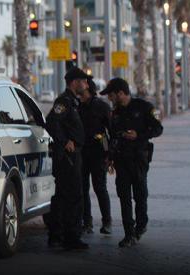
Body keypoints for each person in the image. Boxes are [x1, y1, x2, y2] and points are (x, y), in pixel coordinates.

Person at [100, 77, 163, 247]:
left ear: (121, 93)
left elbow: (158, 129)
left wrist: (139, 135)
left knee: (140, 194)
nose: (110, 99)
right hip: (121, 160)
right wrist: (110, 157)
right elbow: (113, 136)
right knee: (124, 196)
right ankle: (129, 233)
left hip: (139, 159)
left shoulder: (144, 107)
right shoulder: (116, 112)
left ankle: (141, 225)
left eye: (111, 95)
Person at [45, 67, 89, 250]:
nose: (86, 85)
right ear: (74, 82)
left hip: (73, 155)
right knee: (72, 196)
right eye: (83, 81)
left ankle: (59, 234)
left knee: (66, 196)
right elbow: (52, 122)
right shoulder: (64, 101)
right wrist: (64, 142)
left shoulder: (73, 102)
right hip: (67, 157)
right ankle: (70, 237)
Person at [78, 77, 112, 235]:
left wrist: (109, 154)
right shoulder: (77, 106)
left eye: (83, 89)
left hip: (98, 152)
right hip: (81, 153)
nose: (80, 92)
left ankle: (107, 222)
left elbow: (111, 131)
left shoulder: (101, 106)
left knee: (100, 188)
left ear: (89, 90)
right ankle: (87, 222)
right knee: (83, 188)